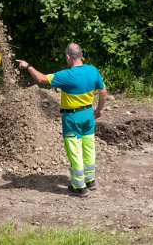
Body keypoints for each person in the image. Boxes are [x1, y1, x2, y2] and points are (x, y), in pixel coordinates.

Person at [16, 43, 107, 197]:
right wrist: (98, 110)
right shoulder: (93, 70)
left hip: (72, 117)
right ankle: (90, 180)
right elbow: (103, 92)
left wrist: (28, 66)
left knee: (75, 150)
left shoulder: (66, 75)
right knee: (89, 146)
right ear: (81, 55)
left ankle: (79, 187)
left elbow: (41, 78)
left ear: (68, 57)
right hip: (88, 115)